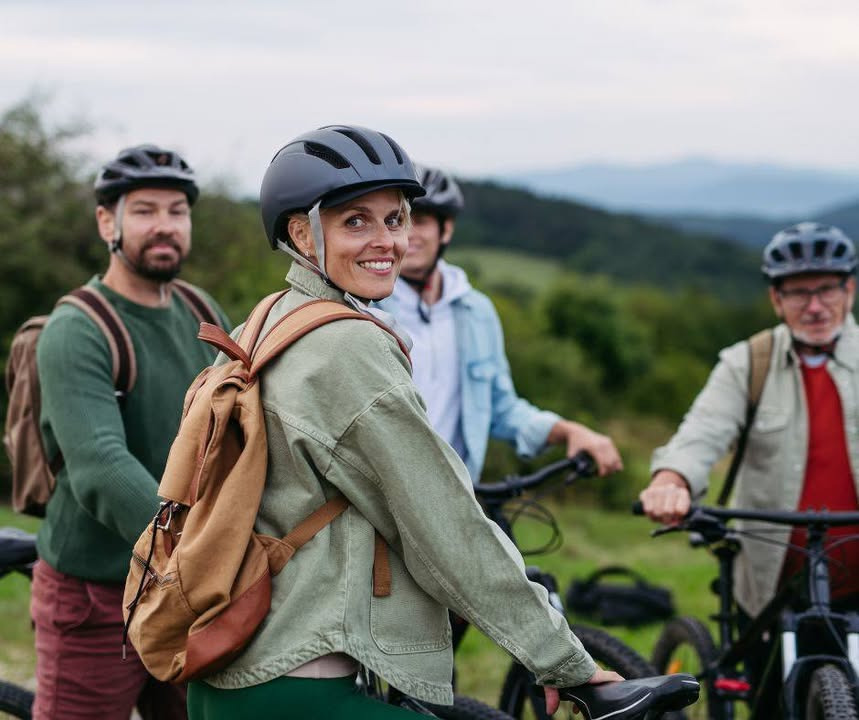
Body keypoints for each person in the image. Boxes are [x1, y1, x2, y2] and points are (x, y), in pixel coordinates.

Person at [186, 126, 620, 720]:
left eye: (395, 219)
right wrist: (564, 662)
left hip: (231, 672)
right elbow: (444, 524)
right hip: (300, 685)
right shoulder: (347, 347)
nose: (387, 241)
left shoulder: (265, 321)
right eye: (355, 221)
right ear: (301, 234)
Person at [31, 144, 231, 720]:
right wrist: (203, 553)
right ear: (107, 223)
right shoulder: (78, 328)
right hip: (96, 596)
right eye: (144, 211)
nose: (164, 225)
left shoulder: (199, 310)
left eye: (177, 210)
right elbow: (101, 466)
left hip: (189, 594)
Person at [639, 222, 859, 691]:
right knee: (770, 696)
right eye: (798, 292)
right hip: (771, 583)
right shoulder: (748, 362)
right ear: (776, 299)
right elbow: (702, 431)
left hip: (857, 576)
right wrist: (672, 480)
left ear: (849, 290)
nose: (815, 306)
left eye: (826, 289)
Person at [376, 165, 623, 483]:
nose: (409, 234)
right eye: (398, 221)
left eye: (420, 220)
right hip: (386, 492)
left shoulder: (477, 312)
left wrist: (568, 430)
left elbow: (500, 408)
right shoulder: (366, 309)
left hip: (458, 494)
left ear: (446, 229)